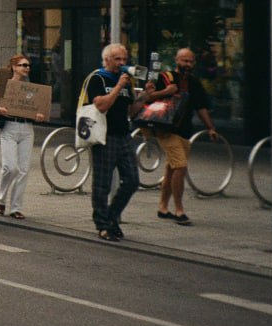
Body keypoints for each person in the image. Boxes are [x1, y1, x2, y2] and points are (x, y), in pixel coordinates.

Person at [147, 47, 218, 226]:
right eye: (184, 60)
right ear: (176, 60)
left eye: (190, 61)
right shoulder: (165, 78)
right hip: (166, 130)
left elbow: (201, 107)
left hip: (185, 130)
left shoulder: (194, 82)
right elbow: (146, 98)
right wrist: (166, 92)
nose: (187, 64)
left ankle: (163, 207)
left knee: (171, 169)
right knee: (180, 166)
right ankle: (179, 210)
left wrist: (210, 127)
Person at [87, 44, 146, 242]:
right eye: (118, 59)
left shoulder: (126, 81)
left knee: (132, 180)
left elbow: (131, 112)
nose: (122, 63)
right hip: (105, 136)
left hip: (124, 136)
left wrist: (145, 97)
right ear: (107, 60)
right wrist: (119, 86)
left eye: (124, 59)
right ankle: (102, 225)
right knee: (102, 183)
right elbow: (101, 105)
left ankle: (112, 216)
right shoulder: (98, 78)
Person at [0, 55, 46, 220]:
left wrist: (39, 115)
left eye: (28, 66)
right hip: (10, 126)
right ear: (14, 67)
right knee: (10, 167)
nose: (26, 68)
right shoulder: (5, 85)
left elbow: (39, 106)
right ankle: (0, 197)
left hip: (27, 128)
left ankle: (16, 207)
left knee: (23, 169)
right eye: (23, 65)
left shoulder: (31, 88)